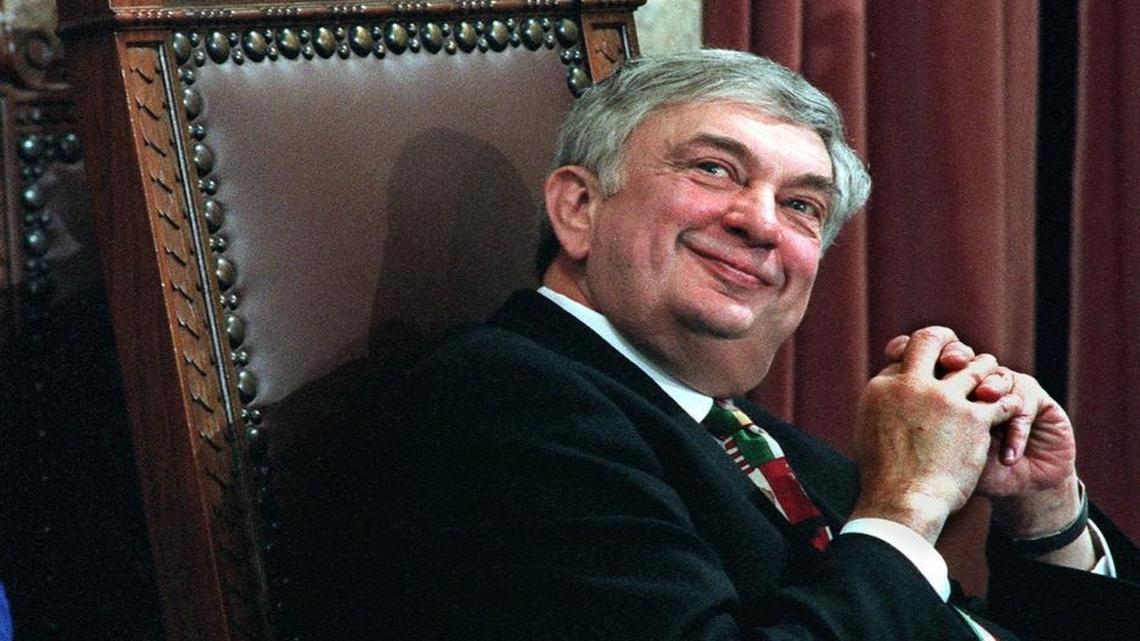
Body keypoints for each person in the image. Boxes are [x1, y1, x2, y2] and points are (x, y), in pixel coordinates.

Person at [320, 49, 1139, 639]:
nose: (760, 223)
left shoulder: (752, 436)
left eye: (803, 205)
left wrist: (1046, 515)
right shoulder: (501, 403)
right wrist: (906, 507)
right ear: (578, 208)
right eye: (714, 169)